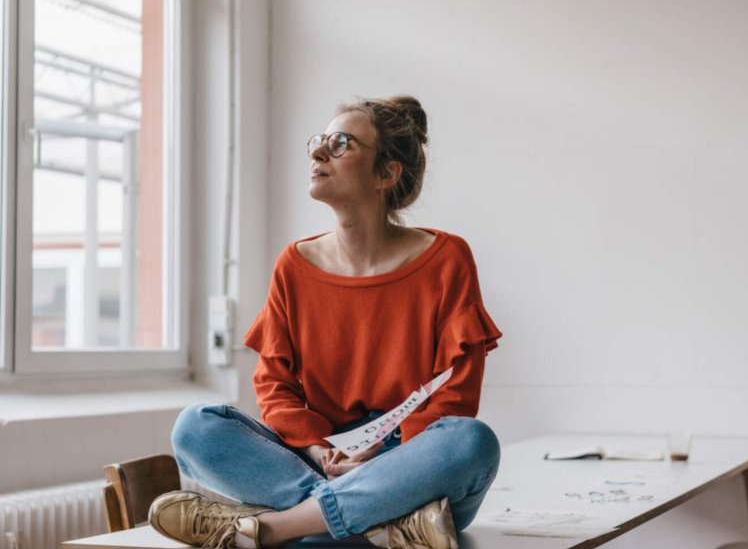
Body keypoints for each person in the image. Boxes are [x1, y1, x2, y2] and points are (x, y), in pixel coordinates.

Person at [148, 95, 503, 549]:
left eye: (340, 144)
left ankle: (277, 527)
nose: (317, 154)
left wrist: (381, 466)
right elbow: (274, 386)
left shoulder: (447, 258)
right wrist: (319, 451)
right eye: (318, 141)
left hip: (410, 467)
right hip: (317, 458)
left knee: (471, 441)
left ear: (387, 174)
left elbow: (456, 392)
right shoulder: (293, 265)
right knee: (195, 426)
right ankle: (385, 527)